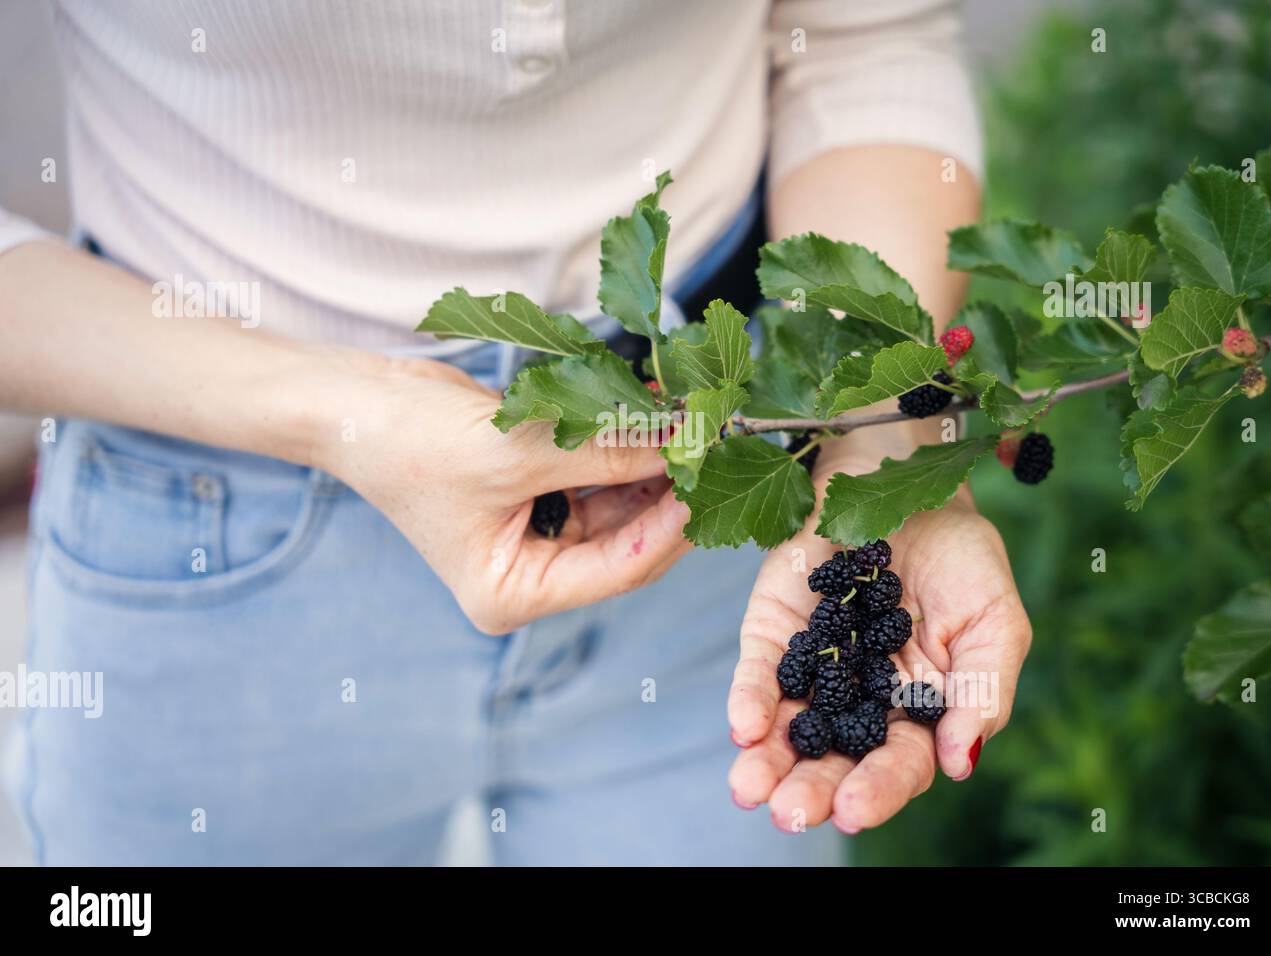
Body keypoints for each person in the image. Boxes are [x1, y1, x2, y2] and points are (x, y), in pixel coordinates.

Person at [0, 0, 1030, 865]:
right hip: (219, 538)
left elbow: (864, 36)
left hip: (731, 518)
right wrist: (340, 414)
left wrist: (879, 439)